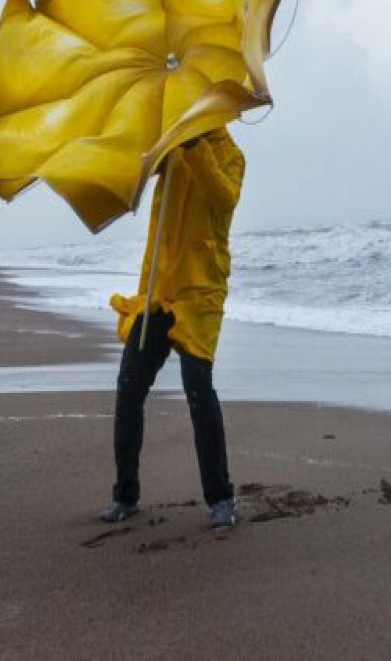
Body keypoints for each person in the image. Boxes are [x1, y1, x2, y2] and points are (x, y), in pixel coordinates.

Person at [100, 128, 245, 529]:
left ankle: (221, 498)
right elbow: (137, 177)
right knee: (130, 385)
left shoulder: (231, 155)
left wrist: (195, 148)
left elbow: (224, 198)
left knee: (198, 386)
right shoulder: (170, 150)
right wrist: (156, 153)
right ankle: (125, 495)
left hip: (199, 292)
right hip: (159, 290)